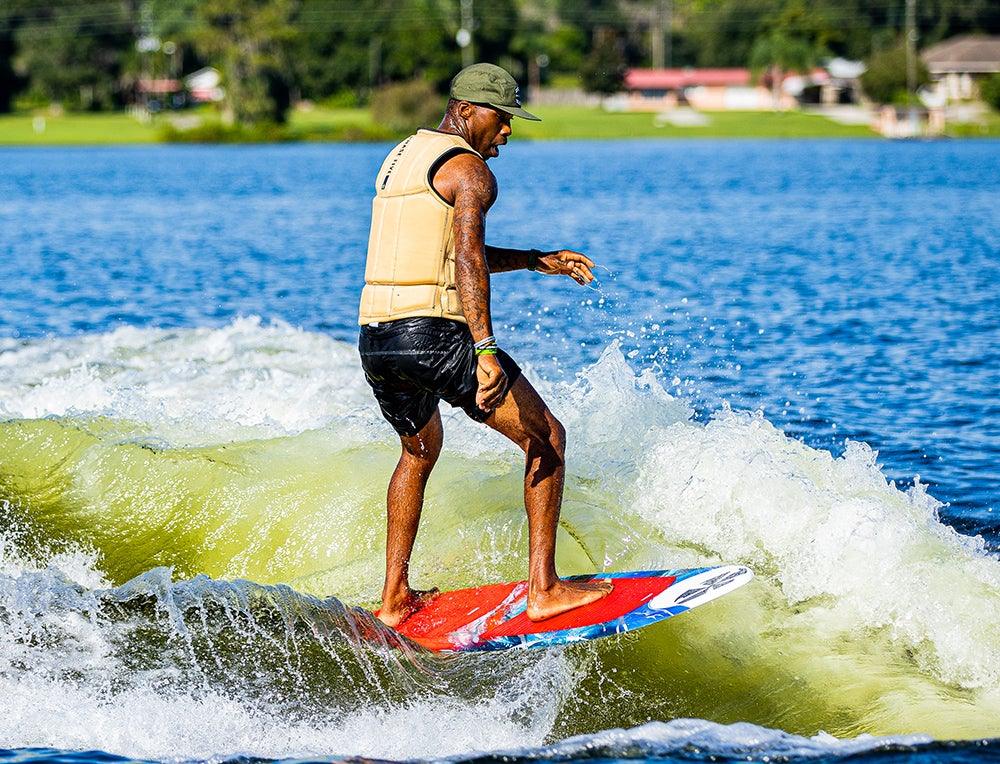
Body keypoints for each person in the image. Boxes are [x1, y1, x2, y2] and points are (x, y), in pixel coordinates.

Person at [358, 63, 612, 628]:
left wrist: (531, 260)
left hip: (377, 338)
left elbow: (444, 250)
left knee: (418, 451)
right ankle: (543, 589)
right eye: (502, 119)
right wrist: (485, 347)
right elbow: (468, 258)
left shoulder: (404, 155)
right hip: (433, 335)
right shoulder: (470, 171)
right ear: (468, 111)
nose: (508, 133)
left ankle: (394, 597)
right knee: (546, 436)